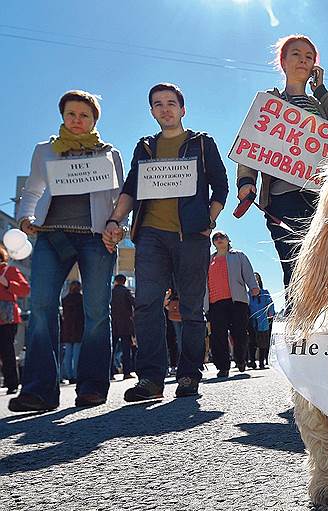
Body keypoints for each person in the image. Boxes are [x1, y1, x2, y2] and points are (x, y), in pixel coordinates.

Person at [103, 82, 229, 400]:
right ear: (152, 112)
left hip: (191, 237)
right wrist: (115, 220)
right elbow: (130, 189)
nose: (165, 108)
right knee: (146, 304)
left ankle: (188, 375)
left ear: (182, 109)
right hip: (150, 236)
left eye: (171, 103)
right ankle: (150, 379)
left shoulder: (202, 143)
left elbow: (221, 186)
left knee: (190, 307)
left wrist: (208, 222)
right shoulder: (145, 147)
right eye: (158, 104)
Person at [9, 90, 125, 412]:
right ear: (62, 116)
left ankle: (91, 387)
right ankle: (39, 391)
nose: (77, 120)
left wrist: (117, 225)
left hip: (95, 238)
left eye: (84, 116)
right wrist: (24, 218)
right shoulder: (44, 150)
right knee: (43, 306)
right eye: (71, 114)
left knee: (97, 310)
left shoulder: (108, 154)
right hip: (51, 236)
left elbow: (118, 198)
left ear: (94, 121)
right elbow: (33, 191)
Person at [236, 35, 328, 298]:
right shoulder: (269, 102)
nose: (303, 59)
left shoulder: (322, 105)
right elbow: (251, 145)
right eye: (296, 54)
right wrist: (246, 182)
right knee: (294, 266)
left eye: (309, 56)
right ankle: (297, 327)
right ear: (282, 62)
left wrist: (322, 92)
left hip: (322, 198)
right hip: (282, 199)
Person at [207, 231, 259, 377]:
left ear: (228, 240)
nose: (218, 239)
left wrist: (253, 286)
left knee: (239, 333)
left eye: (221, 237)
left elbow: (248, 272)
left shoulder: (238, 255)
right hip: (215, 302)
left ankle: (241, 359)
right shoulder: (209, 260)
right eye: (215, 238)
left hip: (237, 301)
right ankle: (223, 366)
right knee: (218, 335)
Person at [0, 245, 30, 394]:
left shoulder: (9, 270)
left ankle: (12, 382)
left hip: (7, 319)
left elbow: (25, 290)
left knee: (7, 351)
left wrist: (8, 284)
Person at [110, 274, 135, 380]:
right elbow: (134, 303)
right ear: (124, 281)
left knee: (111, 350)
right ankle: (126, 372)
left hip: (113, 324)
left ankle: (110, 373)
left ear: (115, 281)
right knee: (126, 350)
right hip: (125, 325)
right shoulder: (126, 292)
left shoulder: (110, 292)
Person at [248, 272, 275, 370]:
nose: (255, 281)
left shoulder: (265, 293)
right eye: (253, 279)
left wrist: (271, 314)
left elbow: (270, 304)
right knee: (252, 342)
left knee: (263, 342)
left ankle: (262, 362)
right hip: (252, 321)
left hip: (263, 321)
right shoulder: (248, 294)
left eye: (257, 279)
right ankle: (252, 361)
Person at [60, 281, 84, 382]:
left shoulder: (65, 299)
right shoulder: (82, 299)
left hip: (67, 328)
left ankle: (69, 375)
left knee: (68, 353)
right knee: (77, 353)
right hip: (78, 327)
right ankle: (76, 374)